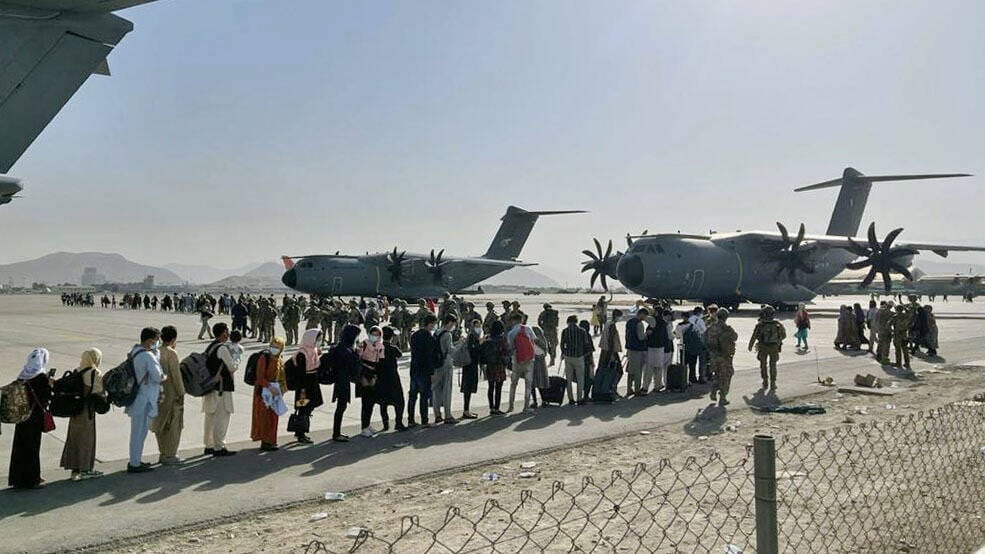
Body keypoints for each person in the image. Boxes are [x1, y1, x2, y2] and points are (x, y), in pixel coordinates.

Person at [9, 348, 54, 489]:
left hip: (22, 417)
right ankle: (31, 479)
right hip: (34, 418)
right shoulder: (40, 378)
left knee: (19, 447)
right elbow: (46, 397)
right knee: (32, 449)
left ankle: (17, 478)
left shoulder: (22, 375)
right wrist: (50, 384)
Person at [60, 348, 105, 480]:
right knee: (87, 439)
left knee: (74, 438)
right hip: (87, 409)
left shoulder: (77, 371)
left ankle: (75, 469)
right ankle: (86, 469)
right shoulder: (95, 373)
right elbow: (99, 392)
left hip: (75, 410)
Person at [127, 328, 165, 473]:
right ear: (150, 340)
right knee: (139, 433)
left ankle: (135, 460)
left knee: (137, 432)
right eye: (156, 340)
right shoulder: (148, 356)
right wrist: (164, 377)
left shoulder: (135, 351)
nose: (158, 343)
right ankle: (134, 463)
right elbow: (157, 376)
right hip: (145, 400)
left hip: (137, 398)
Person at [151, 326, 185, 465]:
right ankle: (170, 454)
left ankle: (163, 452)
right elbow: (176, 376)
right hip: (171, 395)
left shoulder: (155, 351)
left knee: (160, 425)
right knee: (173, 426)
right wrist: (181, 393)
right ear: (173, 338)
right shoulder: (171, 353)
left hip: (158, 395)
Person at [202, 322, 237, 457]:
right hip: (221, 388)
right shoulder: (222, 348)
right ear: (223, 333)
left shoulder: (211, 346)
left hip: (210, 387)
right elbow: (232, 366)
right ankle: (219, 446)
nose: (228, 334)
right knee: (221, 417)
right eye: (227, 331)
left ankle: (209, 445)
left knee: (210, 417)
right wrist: (237, 360)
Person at [251, 337, 285, 451]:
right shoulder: (264, 358)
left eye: (277, 347)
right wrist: (270, 387)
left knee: (274, 417)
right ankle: (265, 441)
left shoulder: (280, 359)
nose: (274, 349)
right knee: (264, 417)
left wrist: (281, 389)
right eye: (273, 346)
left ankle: (272, 440)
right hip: (264, 392)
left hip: (275, 391)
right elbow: (259, 377)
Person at [292, 328, 324, 444]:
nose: (319, 341)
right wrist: (303, 390)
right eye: (318, 339)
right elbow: (301, 374)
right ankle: (301, 433)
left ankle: (300, 429)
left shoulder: (313, 350)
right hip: (304, 387)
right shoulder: (302, 353)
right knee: (303, 407)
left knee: (311, 405)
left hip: (312, 384)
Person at [331, 324, 362, 441]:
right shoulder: (345, 350)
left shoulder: (343, 347)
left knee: (341, 407)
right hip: (342, 381)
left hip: (342, 380)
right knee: (341, 407)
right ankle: (336, 433)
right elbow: (353, 367)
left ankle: (337, 432)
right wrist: (357, 355)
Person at [408, 314, 438, 427]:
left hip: (414, 369)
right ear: (430, 324)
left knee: (412, 396)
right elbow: (429, 357)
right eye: (433, 324)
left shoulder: (415, 335)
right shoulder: (429, 338)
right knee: (424, 396)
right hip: (424, 371)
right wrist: (432, 372)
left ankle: (410, 419)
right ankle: (424, 420)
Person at [705, 308, 738, 406]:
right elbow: (735, 337)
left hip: (713, 356)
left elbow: (705, 339)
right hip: (724, 356)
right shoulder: (726, 328)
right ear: (726, 317)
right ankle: (722, 397)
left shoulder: (711, 327)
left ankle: (713, 391)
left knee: (716, 374)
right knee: (726, 375)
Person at [376, 326, 407, 431]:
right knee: (399, 401)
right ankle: (398, 422)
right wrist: (395, 342)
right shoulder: (393, 348)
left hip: (381, 377)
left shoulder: (378, 347)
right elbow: (400, 354)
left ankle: (385, 423)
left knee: (383, 402)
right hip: (393, 377)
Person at [748, 307, 786, 390]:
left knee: (763, 365)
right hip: (774, 347)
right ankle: (773, 382)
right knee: (773, 365)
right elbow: (784, 335)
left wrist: (750, 346)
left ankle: (765, 381)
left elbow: (754, 336)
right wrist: (778, 342)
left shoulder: (760, 325)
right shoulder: (778, 324)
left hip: (763, 347)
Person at [357, 326, 384, 437]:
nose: (374, 336)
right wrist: (362, 377)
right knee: (365, 403)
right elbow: (358, 361)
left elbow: (380, 363)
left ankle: (367, 425)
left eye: (377, 334)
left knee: (371, 402)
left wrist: (376, 377)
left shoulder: (380, 346)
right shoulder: (363, 344)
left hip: (373, 375)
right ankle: (364, 427)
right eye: (372, 333)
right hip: (364, 374)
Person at [506, 313, 537, 412]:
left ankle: (511, 406)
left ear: (513, 321)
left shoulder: (511, 333)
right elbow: (534, 339)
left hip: (516, 360)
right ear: (522, 319)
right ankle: (526, 406)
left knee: (513, 384)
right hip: (529, 360)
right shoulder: (528, 328)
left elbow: (510, 346)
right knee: (528, 384)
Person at [431, 315, 459, 424]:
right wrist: (460, 344)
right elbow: (451, 350)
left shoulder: (437, 332)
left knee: (436, 390)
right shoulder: (447, 334)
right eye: (453, 323)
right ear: (450, 323)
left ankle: (437, 414)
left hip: (436, 364)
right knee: (447, 390)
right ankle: (448, 415)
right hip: (446, 364)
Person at [483, 320, 509, 415]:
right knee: (498, 387)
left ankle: (491, 407)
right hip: (499, 365)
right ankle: (497, 407)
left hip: (490, 365)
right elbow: (506, 350)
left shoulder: (488, 337)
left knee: (490, 387)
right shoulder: (502, 339)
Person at [560, 315, 588, 405]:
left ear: (568, 322)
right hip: (579, 356)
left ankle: (571, 399)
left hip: (568, 356)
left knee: (569, 378)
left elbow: (562, 344)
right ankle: (579, 398)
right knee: (580, 378)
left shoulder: (565, 331)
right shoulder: (582, 331)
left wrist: (564, 353)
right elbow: (586, 344)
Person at [460, 319, 482, 419]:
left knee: (468, 388)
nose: (479, 328)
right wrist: (481, 343)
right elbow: (473, 350)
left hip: (470, 364)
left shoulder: (472, 336)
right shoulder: (472, 336)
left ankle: (467, 409)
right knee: (468, 388)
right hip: (470, 365)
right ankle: (466, 410)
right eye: (477, 326)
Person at [624, 308, 648, 396]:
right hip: (637, 349)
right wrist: (646, 334)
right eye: (645, 316)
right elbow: (641, 337)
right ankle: (637, 390)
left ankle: (629, 388)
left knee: (630, 370)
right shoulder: (639, 324)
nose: (645, 318)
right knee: (638, 371)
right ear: (641, 314)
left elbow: (627, 335)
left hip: (630, 348)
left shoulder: (629, 322)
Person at [530, 326, 551, 407]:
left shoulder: (532, 340)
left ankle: (535, 401)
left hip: (533, 362)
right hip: (541, 362)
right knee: (542, 382)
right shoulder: (543, 340)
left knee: (532, 383)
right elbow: (545, 352)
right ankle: (544, 400)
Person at [891, 304, 913, 370]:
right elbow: (911, 322)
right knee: (905, 349)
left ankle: (898, 363)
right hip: (904, 334)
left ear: (896, 310)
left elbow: (888, 325)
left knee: (898, 349)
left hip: (897, 334)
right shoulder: (906, 316)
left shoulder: (895, 317)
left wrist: (892, 331)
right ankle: (907, 363)